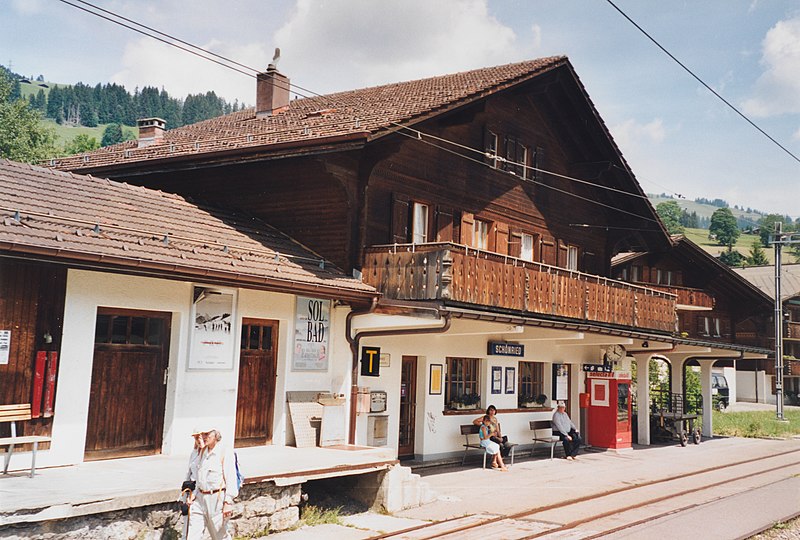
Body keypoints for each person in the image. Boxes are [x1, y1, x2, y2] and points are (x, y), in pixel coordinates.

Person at [187, 427, 239, 540]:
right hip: (200, 499)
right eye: (202, 434)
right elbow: (197, 475)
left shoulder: (224, 451)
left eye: (206, 434)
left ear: (215, 435)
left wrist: (228, 502)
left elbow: (230, 477)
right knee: (192, 536)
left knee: (220, 536)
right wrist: (194, 494)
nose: (203, 437)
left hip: (216, 499)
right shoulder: (201, 451)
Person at [181, 428, 206, 539]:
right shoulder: (194, 453)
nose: (197, 440)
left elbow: (202, 477)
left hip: (200, 491)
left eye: (199, 437)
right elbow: (189, 471)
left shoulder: (207, 455)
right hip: (190, 489)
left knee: (196, 523)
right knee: (187, 521)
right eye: (195, 438)